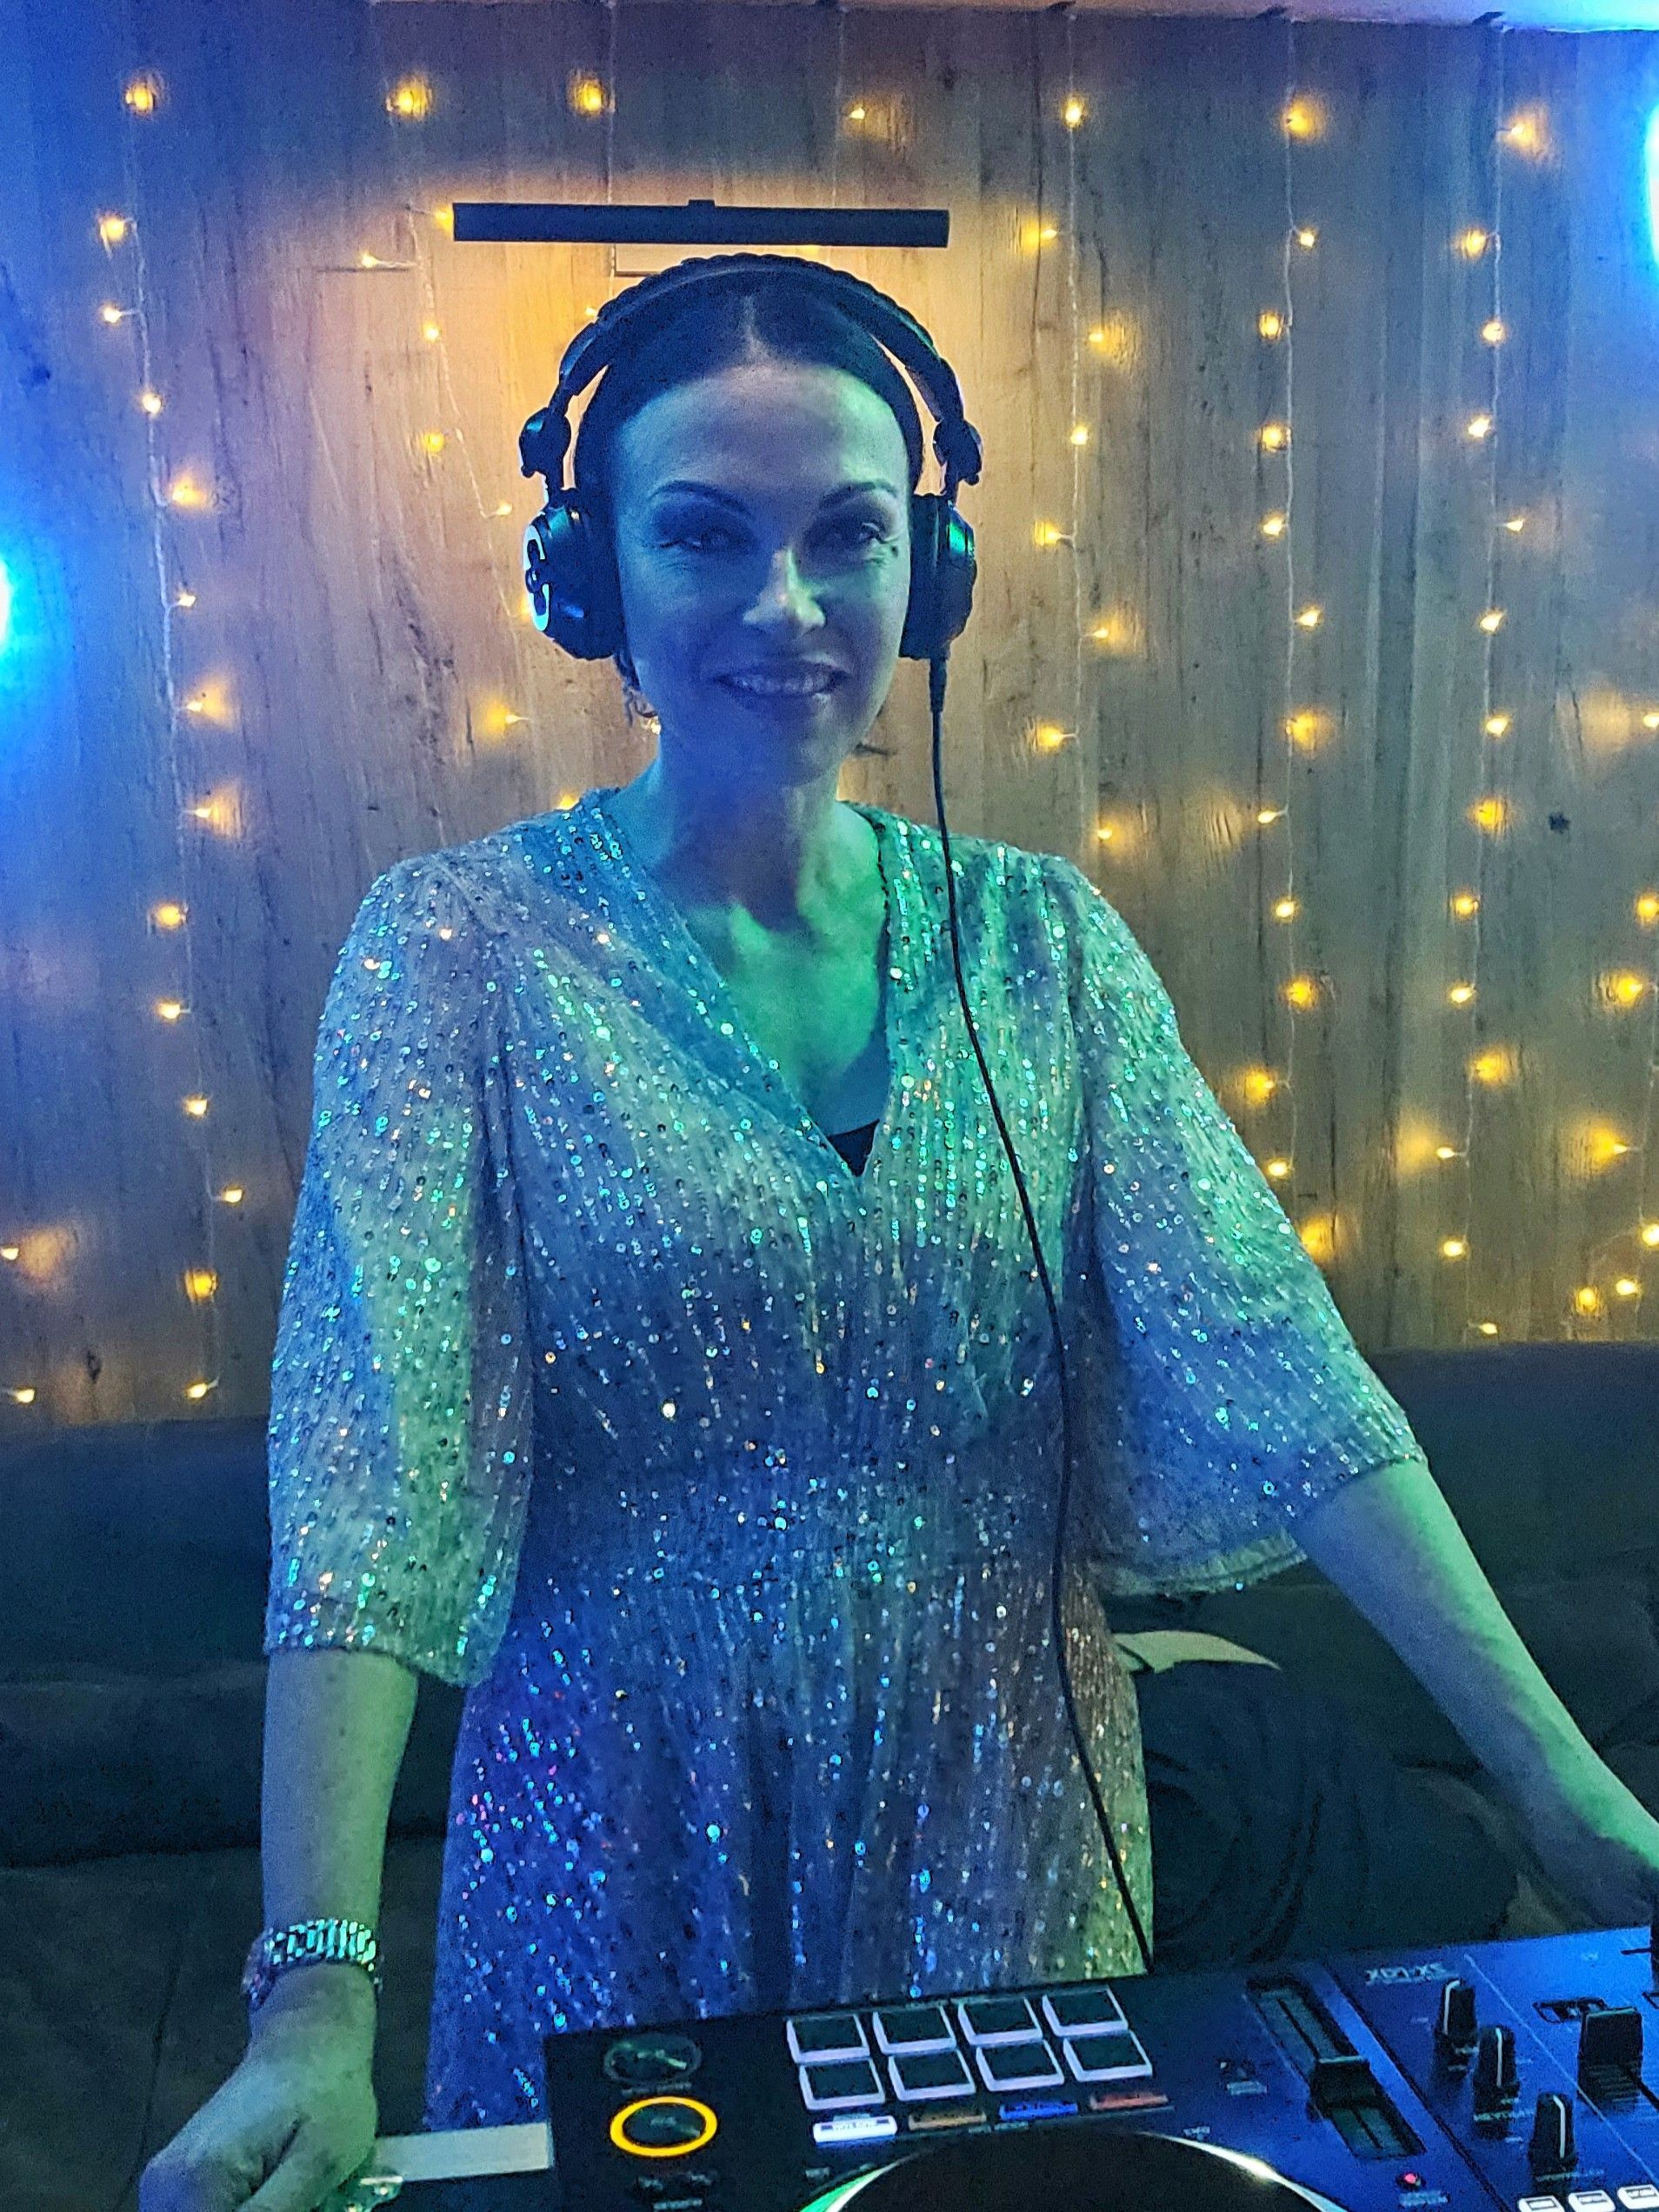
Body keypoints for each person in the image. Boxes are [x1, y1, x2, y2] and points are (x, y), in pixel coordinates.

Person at [140, 272, 1443, 2211]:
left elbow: (1287, 1375)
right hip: (613, 1822)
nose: (789, 604)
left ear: (935, 568)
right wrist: (314, 2002)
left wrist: (1572, 1800)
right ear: (587, 575)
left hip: (1006, 1814)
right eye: (704, 535)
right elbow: (369, 1482)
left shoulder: (1046, 943)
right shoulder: (454, 948)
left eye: (850, 534)